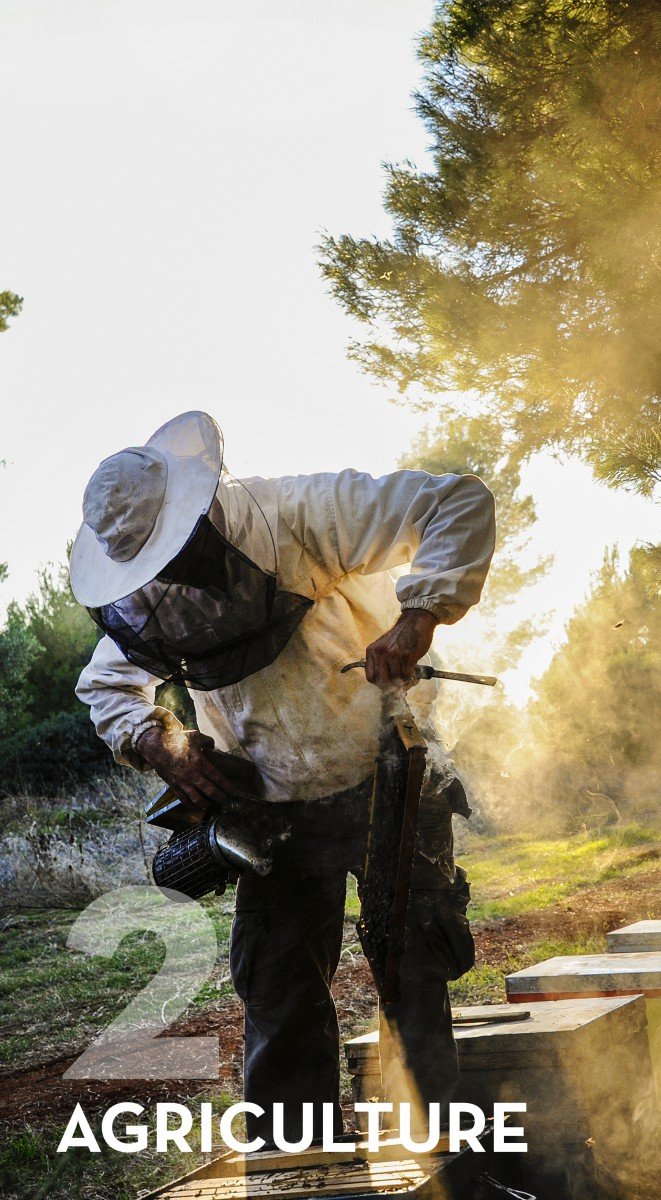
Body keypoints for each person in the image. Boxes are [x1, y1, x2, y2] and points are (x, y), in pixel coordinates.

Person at [70, 410, 496, 1145]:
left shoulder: (298, 512)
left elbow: (454, 500)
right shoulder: (146, 599)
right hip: (271, 803)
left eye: (171, 556)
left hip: (385, 770)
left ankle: (446, 1156)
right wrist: (162, 740)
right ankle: (294, 1167)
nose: (167, 576)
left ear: (196, 516)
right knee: (277, 985)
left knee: (412, 964)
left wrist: (417, 618)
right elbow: (104, 687)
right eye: (150, 567)